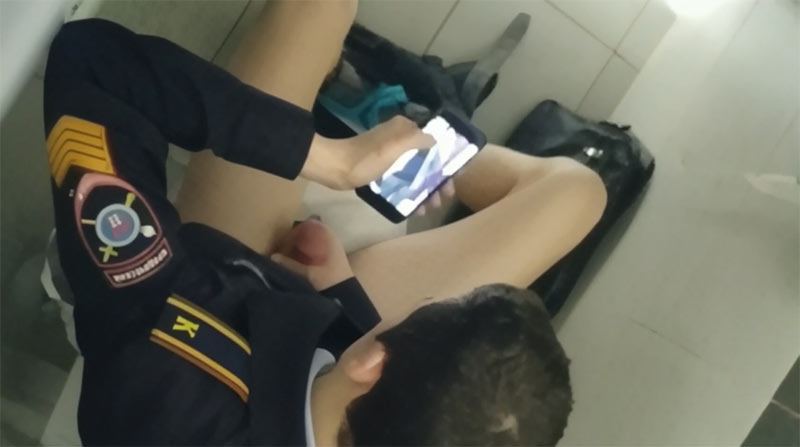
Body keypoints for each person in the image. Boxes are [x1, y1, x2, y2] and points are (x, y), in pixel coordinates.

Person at [42, 1, 606, 445]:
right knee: (580, 195)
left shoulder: (163, 362)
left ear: (372, 362)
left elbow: (91, 65)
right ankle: (411, 138)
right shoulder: (363, 382)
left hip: (207, 308)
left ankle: (373, 130)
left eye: (429, 308)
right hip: (311, 351)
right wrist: (340, 295)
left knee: (320, 8)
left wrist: (329, 160)